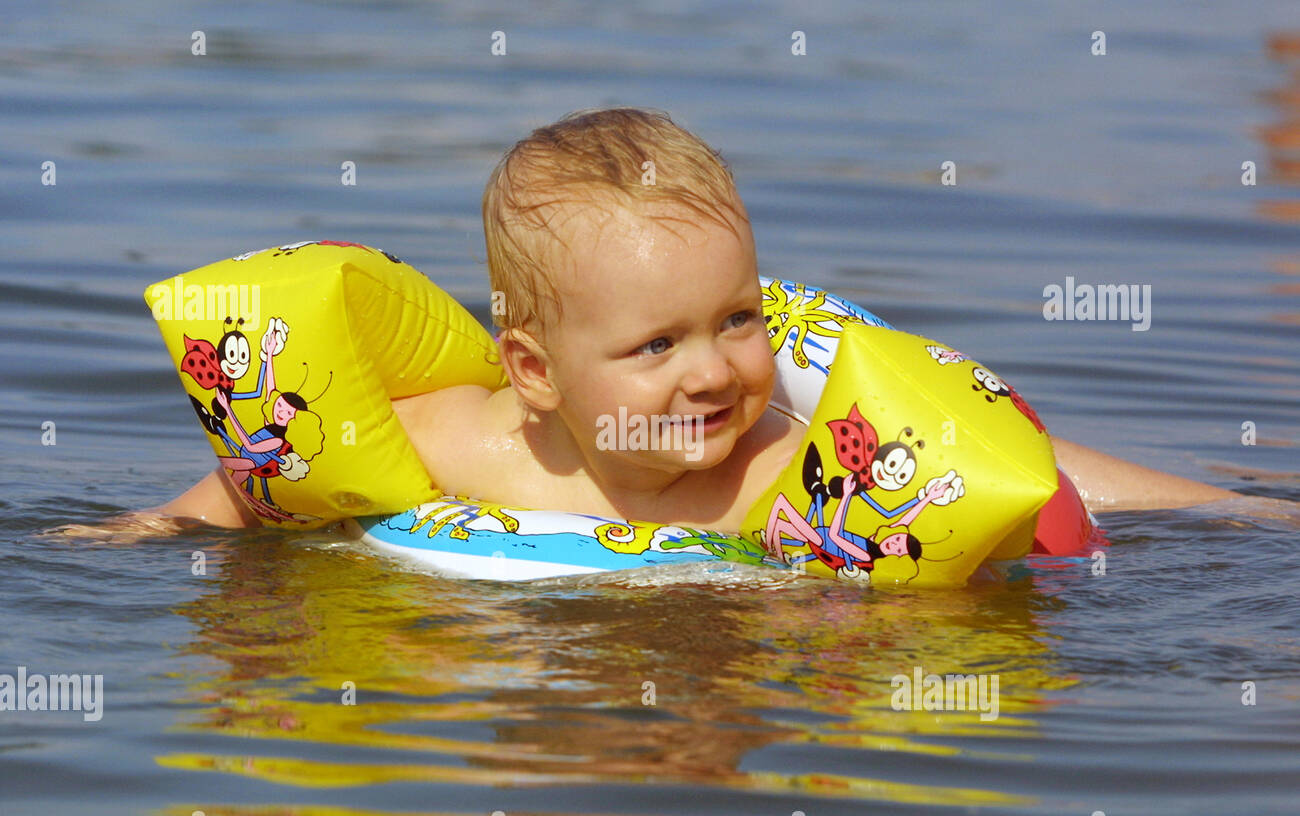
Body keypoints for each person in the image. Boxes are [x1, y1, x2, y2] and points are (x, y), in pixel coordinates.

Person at [93, 107, 1242, 535]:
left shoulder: (776, 470)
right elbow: (263, 480)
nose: (714, 371)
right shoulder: (460, 440)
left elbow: (1036, 474)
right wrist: (152, 527)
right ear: (534, 370)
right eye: (655, 344)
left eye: (736, 318)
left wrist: (1230, 512)